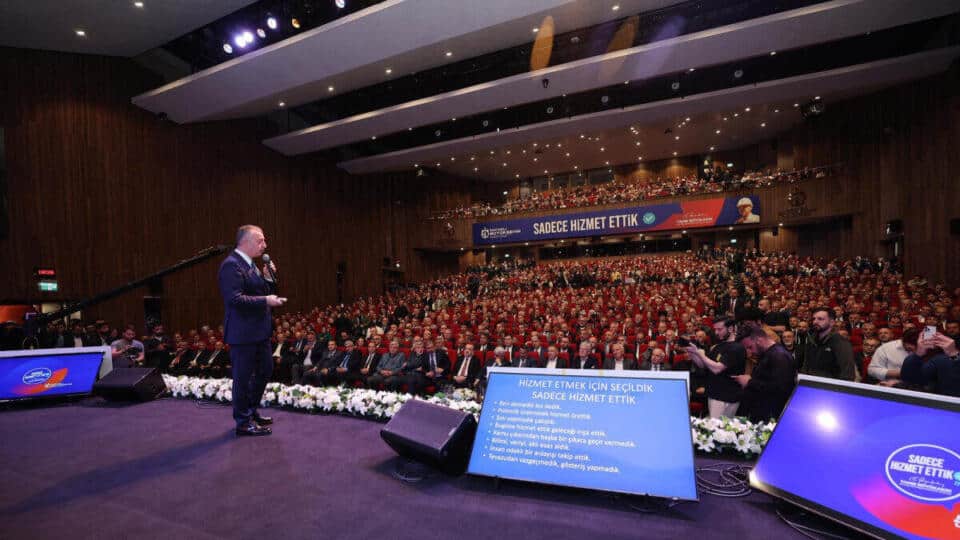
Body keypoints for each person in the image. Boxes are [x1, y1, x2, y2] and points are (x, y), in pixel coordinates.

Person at [218, 224, 286, 437]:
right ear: (245, 242)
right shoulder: (231, 265)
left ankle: (251, 409)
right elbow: (235, 299)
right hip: (243, 333)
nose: (265, 245)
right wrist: (266, 299)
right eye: (261, 240)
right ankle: (243, 421)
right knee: (243, 377)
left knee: (265, 370)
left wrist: (266, 278)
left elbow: (261, 291)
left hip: (259, 331)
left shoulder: (252, 265)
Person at [733, 322, 797, 422]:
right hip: (760, 413)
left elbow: (781, 389)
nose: (750, 351)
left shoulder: (779, 356)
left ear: (759, 340)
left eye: (750, 347)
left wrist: (749, 382)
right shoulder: (767, 354)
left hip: (771, 417)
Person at [685, 317, 746, 418]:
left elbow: (717, 369)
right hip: (715, 393)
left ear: (730, 329)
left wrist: (701, 355)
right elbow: (704, 365)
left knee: (720, 429)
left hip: (726, 396)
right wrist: (694, 354)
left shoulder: (736, 348)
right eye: (715, 329)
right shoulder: (718, 346)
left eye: (720, 329)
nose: (716, 333)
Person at [801, 307, 856, 381]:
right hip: (811, 385)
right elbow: (806, 366)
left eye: (820, 319)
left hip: (830, 388)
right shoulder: (811, 340)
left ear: (832, 322)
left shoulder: (840, 342)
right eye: (814, 319)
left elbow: (848, 373)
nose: (815, 322)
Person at [900, 332, 960, 397]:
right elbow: (908, 381)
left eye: (910, 349)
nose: (909, 352)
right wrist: (918, 354)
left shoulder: (942, 359)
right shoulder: (939, 360)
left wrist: (954, 355)